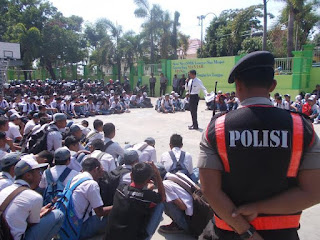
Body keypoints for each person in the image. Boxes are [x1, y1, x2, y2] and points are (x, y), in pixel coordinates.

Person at [198, 51, 320, 240]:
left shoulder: (217, 128)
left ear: (237, 86)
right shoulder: (302, 128)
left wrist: (247, 232)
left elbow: (209, 191)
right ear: (272, 86)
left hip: (228, 233)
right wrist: (258, 208)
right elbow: (313, 192)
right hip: (283, 235)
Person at [0, 157, 64, 240]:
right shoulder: (34, 197)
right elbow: (33, 223)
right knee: (58, 214)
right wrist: (40, 214)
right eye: (38, 172)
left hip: (3, 235)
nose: (41, 175)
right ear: (28, 175)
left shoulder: (5, 190)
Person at [105, 161, 166, 240]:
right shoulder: (148, 196)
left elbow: (132, 191)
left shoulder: (120, 189)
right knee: (160, 205)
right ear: (148, 180)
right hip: (133, 237)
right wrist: (157, 173)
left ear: (131, 175)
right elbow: (162, 197)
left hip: (110, 236)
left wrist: (146, 190)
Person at [67, 157, 112, 239]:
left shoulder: (75, 177)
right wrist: (116, 207)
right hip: (80, 228)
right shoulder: (91, 184)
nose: (102, 171)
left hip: (69, 223)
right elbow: (100, 212)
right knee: (114, 216)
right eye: (101, 169)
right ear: (96, 169)